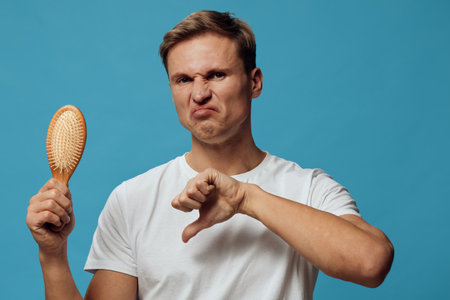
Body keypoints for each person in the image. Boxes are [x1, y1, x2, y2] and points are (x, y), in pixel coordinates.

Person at [26, 10, 394, 300]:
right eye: (183, 79)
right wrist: (52, 256)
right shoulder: (132, 200)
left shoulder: (309, 189)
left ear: (254, 82)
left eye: (216, 75)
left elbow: (372, 263)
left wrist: (247, 197)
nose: (198, 93)